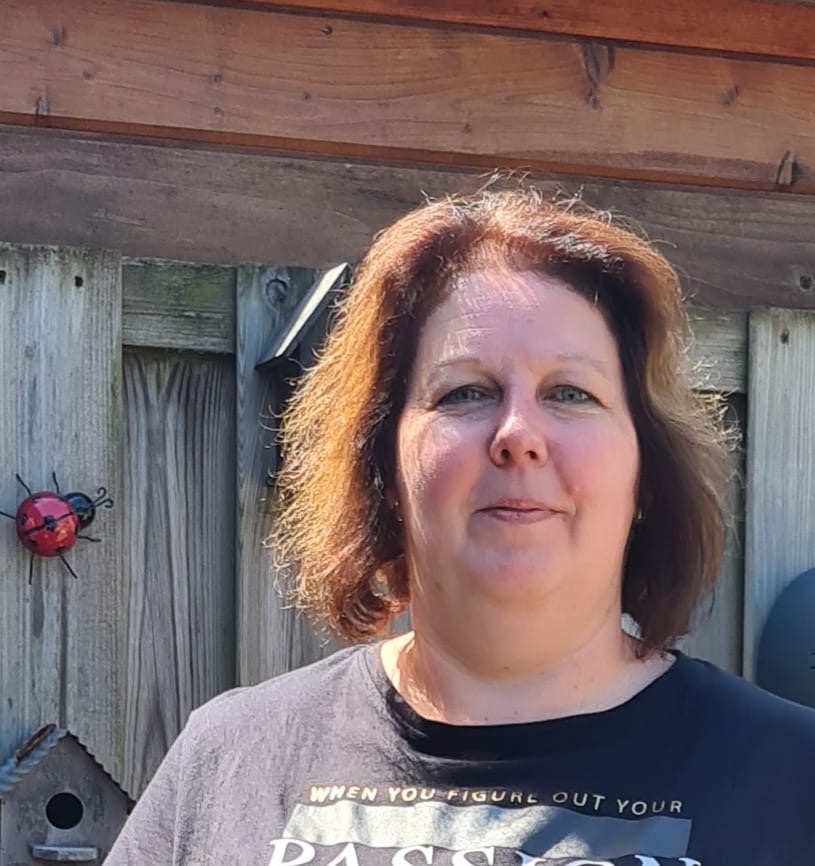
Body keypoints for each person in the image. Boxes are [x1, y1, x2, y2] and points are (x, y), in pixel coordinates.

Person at [107, 189, 815, 865]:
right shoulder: (231, 756)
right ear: (383, 469)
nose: (518, 434)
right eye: (465, 392)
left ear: (646, 475)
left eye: (571, 393)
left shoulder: (790, 779)